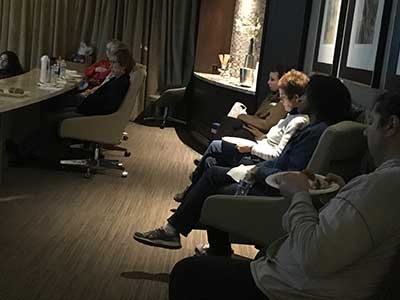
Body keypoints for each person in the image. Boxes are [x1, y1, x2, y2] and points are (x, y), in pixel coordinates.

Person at [168, 91, 400, 300]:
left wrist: (299, 194)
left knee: (185, 273)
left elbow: (313, 257)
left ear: (391, 125)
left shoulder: (385, 185)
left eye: (371, 122)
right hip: (292, 276)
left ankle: (178, 232)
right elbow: (350, 229)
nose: (366, 132)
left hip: (289, 288)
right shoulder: (381, 183)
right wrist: (340, 195)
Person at [133, 75, 352, 251]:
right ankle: (210, 245)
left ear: (316, 101)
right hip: (272, 179)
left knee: (212, 180)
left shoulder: (313, 133)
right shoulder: (318, 130)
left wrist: (256, 169)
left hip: (273, 191)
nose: (301, 99)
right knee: (213, 171)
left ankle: (174, 232)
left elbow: (289, 171)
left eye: (307, 96)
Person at [175, 70, 310, 202]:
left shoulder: (297, 121)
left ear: (296, 98)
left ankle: (192, 190)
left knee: (215, 148)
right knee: (213, 153)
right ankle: (192, 192)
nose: (281, 101)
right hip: (259, 146)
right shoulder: (290, 115)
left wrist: (251, 148)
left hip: (258, 156)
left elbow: (277, 154)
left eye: (283, 98)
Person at [213, 65, 288, 141]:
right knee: (227, 121)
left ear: (281, 82)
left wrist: (242, 116)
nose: (268, 82)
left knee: (232, 128)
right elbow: (257, 116)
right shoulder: (271, 97)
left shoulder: (282, 104)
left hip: (258, 134)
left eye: (272, 80)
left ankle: (215, 147)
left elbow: (266, 125)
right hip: (251, 127)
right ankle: (215, 147)